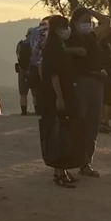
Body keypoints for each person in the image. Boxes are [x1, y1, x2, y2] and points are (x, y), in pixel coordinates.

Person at [67, 7, 111, 177]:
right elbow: (55, 50)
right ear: (75, 23)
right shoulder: (70, 38)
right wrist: (74, 51)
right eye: (84, 21)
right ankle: (71, 161)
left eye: (89, 21)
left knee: (93, 124)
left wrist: (90, 11)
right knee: (79, 123)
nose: (88, 24)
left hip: (96, 84)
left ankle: (86, 163)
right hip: (80, 83)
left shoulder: (93, 37)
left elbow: (107, 22)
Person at [39, 16, 80, 187]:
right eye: (65, 26)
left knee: (61, 132)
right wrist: (60, 98)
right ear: (57, 28)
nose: (67, 30)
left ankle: (61, 171)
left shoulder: (56, 45)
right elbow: (54, 74)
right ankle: (59, 172)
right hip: (56, 95)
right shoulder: (54, 47)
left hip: (57, 93)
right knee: (60, 133)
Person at [15, 33, 33, 115]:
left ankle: (24, 111)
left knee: (23, 93)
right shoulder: (34, 43)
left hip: (22, 69)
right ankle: (37, 109)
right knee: (35, 91)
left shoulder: (20, 44)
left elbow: (17, 54)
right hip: (33, 68)